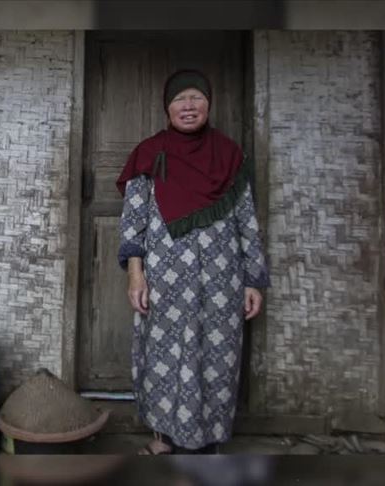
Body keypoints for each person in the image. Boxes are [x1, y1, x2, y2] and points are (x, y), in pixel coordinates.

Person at [116, 69, 269, 455]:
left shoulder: (230, 155)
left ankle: (206, 447)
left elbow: (246, 220)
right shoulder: (150, 154)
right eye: (180, 99)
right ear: (167, 108)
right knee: (165, 357)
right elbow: (133, 222)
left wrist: (253, 279)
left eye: (196, 98)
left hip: (223, 280)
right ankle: (165, 440)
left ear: (209, 104)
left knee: (216, 360)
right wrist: (136, 275)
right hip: (165, 280)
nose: (189, 106)